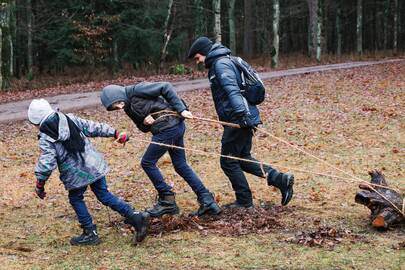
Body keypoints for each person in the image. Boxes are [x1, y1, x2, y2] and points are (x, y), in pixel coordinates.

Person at [187, 36, 294, 208]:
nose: (198, 62)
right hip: (241, 117)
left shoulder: (220, 64)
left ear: (204, 53)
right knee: (242, 158)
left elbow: (232, 90)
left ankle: (244, 202)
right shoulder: (224, 61)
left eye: (197, 57)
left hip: (238, 119)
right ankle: (280, 179)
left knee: (228, 161)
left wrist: (241, 115)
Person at [28, 98, 149, 246]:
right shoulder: (69, 119)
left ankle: (89, 232)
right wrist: (114, 132)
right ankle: (135, 217)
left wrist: (40, 184)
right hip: (93, 164)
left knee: (76, 198)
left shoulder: (46, 138)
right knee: (104, 194)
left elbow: (47, 163)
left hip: (76, 174)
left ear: (36, 122)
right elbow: (92, 127)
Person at [100, 82, 221, 217]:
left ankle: (167, 200)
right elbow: (143, 128)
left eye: (117, 102)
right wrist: (145, 122)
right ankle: (207, 201)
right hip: (169, 128)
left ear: (118, 94)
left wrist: (181, 109)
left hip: (169, 127)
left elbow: (165, 86)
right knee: (180, 165)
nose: (118, 106)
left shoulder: (135, 91)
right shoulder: (127, 107)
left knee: (147, 162)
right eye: (114, 107)